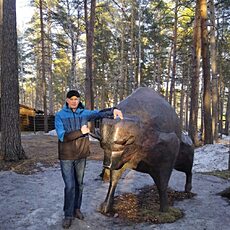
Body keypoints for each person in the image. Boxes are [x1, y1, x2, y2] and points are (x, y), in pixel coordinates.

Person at [55, 90, 123, 229]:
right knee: (70, 186)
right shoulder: (60, 115)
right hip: (66, 157)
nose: (74, 101)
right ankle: (68, 215)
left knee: (79, 184)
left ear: (79, 100)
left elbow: (99, 113)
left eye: (76, 98)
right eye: (71, 98)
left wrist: (114, 110)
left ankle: (77, 209)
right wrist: (81, 132)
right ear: (67, 100)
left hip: (81, 156)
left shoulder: (84, 113)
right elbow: (62, 136)